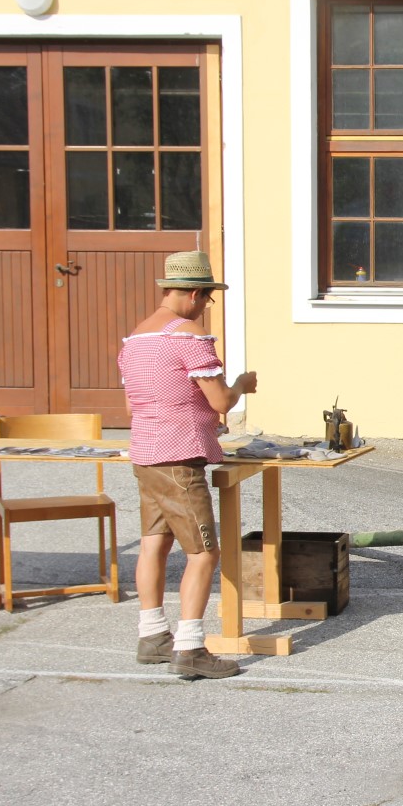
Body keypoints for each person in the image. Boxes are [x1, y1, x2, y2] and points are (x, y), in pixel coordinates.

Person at [118, 251, 258, 681]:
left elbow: (131, 404)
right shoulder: (189, 337)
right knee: (203, 552)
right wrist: (240, 386)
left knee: (153, 544)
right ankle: (190, 646)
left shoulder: (135, 340)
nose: (205, 307)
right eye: (207, 299)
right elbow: (220, 403)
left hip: (145, 453)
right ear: (196, 293)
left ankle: (152, 635)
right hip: (179, 457)